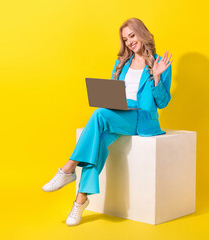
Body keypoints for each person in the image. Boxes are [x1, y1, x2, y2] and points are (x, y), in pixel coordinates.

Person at [42, 17, 173, 226]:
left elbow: (163, 102)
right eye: (125, 39)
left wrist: (157, 77)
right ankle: (80, 200)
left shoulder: (159, 63)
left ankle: (68, 169)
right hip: (121, 114)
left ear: (142, 33)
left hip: (142, 119)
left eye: (132, 35)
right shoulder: (121, 63)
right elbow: (115, 93)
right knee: (99, 142)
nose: (130, 41)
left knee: (99, 114)